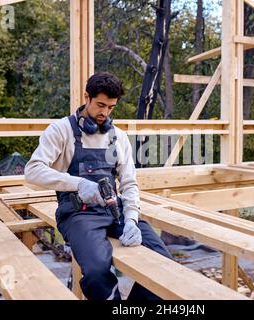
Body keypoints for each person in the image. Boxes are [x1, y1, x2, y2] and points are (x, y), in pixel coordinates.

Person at [25, 72, 173, 300]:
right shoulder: (61, 130)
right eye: (100, 105)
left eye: (111, 107)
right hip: (79, 214)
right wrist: (79, 184)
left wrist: (132, 218)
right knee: (96, 273)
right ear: (87, 97)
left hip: (115, 210)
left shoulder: (118, 137)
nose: (104, 113)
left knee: (164, 263)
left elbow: (129, 183)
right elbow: (33, 170)